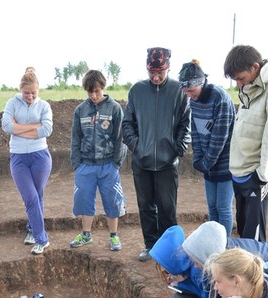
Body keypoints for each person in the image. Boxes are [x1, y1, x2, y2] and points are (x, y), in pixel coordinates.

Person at [122, 47, 191, 262]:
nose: (155, 76)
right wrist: (137, 146)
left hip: (167, 163)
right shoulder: (137, 91)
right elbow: (127, 124)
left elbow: (185, 123)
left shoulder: (178, 91)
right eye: (152, 71)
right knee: (145, 207)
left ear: (168, 68)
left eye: (160, 71)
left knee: (167, 208)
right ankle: (151, 246)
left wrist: (176, 149)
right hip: (141, 162)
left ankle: (170, 251)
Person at [223, 45, 268, 242]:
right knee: (244, 230)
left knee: (253, 240)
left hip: (256, 176)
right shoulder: (249, 87)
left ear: (255, 67)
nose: (238, 84)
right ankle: (243, 273)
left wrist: (262, 176)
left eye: (240, 78)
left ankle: (256, 274)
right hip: (240, 173)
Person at [69, 70, 126, 252]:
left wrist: (116, 163)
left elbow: (120, 138)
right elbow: (75, 138)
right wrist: (77, 164)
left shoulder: (114, 108)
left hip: (108, 165)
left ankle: (114, 236)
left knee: (112, 201)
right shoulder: (80, 110)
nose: (93, 96)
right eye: (90, 92)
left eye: (97, 91)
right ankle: (86, 234)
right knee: (84, 199)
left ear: (103, 87)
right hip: (85, 165)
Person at [179, 59, 235, 236]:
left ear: (201, 82)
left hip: (225, 163)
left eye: (191, 90)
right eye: (186, 91)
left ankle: (224, 246)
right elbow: (194, 129)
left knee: (223, 207)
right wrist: (197, 157)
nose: (189, 94)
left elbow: (220, 137)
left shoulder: (220, 98)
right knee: (212, 207)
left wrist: (206, 162)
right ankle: (213, 243)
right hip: (207, 164)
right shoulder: (193, 101)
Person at [1, 67, 53, 255]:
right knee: (30, 197)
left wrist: (18, 128)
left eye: (33, 93)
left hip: (40, 156)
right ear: (20, 90)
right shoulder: (12, 103)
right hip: (18, 157)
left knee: (37, 195)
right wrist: (33, 127)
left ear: (38, 90)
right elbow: (6, 126)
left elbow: (47, 130)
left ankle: (33, 231)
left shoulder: (44, 105)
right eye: (26, 93)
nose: (29, 97)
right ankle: (42, 239)